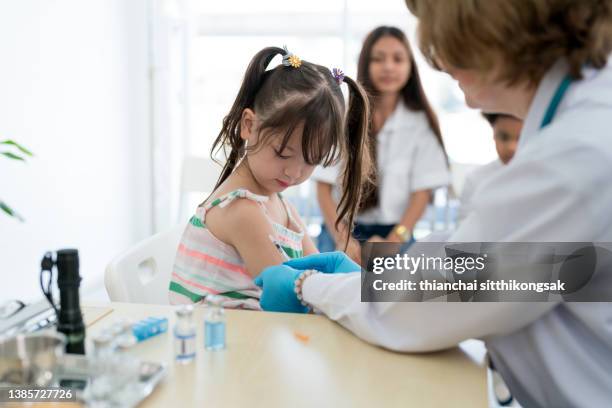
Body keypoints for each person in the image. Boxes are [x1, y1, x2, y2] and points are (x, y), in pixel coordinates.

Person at [254, 1, 612, 406]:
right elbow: (476, 259)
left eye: (437, 37)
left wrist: (310, 285)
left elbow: (447, 293)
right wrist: (356, 276)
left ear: (490, 28)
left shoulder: (579, 152)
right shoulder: (575, 126)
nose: (438, 61)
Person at [169, 46, 371, 309]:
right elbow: (289, 299)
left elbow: (319, 278)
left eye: (311, 160)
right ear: (249, 126)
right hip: (217, 341)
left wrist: (359, 285)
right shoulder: (242, 210)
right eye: (283, 153)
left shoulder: (277, 201)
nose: (295, 172)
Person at [313, 26, 449, 262]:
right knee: (334, 289)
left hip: (397, 232)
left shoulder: (420, 124)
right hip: (341, 229)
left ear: (410, 67)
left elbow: (421, 194)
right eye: (378, 59)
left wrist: (394, 241)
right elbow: (323, 186)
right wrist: (343, 238)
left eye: (398, 59)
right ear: (365, 63)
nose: (388, 67)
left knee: (400, 294)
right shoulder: (345, 116)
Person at [457, 113, 523, 223]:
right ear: (493, 135)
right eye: (504, 137)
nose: (511, 147)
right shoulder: (475, 179)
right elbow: (463, 226)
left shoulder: (543, 176)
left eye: (520, 138)